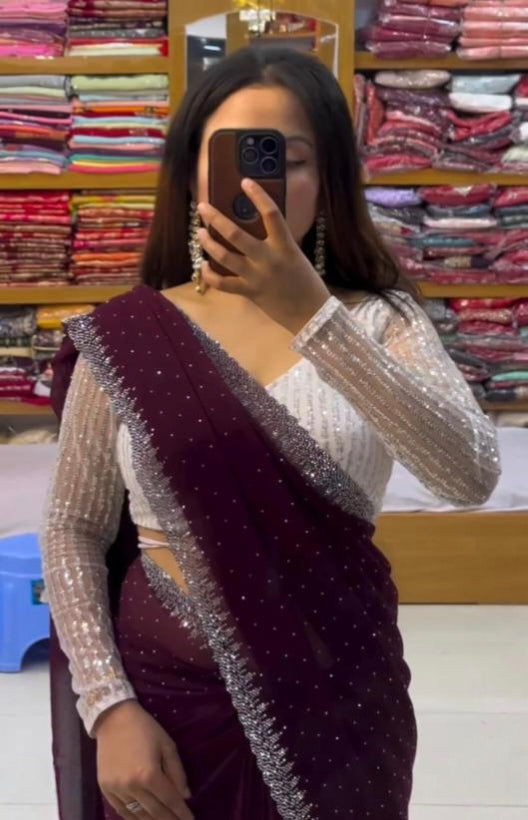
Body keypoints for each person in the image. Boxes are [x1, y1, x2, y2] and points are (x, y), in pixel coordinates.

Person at [41, 47, 501, 820]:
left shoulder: (380, 323)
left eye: (288, 160)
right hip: (164, 716)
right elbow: (71, 527)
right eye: (233, 156)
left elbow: (469, 474)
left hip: (341, 709)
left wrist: (311, 315)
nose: (259, 185)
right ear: (191, 175)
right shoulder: (128, 337)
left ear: (330, 178)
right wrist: (107, 704)